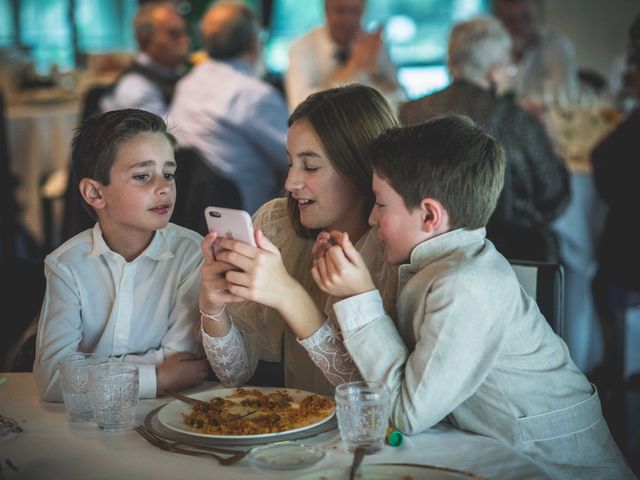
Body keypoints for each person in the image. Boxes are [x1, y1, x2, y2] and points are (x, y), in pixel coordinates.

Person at [311, 115, 634, 479]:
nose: (370, 218)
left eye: (381, 204)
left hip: (557, 466)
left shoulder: (465, 285)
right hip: (484, 451)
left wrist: (358, 297)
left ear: (430, 215)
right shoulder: (439, 262)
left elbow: (405, 413)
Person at [199, 84, 399, 396]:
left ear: (359, 167)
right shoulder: (276, 225)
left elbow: (377, 396)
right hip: (300, 430)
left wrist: (288, 294)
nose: (291, 182)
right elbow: (234, 374)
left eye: (311, 166)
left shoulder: (396, 251)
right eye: (291, 162)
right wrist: (212, 306)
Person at [33, 109, 209, 402]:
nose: (164, 187)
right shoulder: (66, 265)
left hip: (168, 411)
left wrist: (87, 370)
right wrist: (157, 376)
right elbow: (53, 378)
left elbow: (185, 366)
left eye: (169, 174)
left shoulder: (191, 254)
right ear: (95, 194)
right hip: (85, 425)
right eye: (142, 176)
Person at [399, 16, 569, 262]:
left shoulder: (410, 112)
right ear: (494, 71)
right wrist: (554, 144)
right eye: (508, 67)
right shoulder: (515, 119)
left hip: (424, 249)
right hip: (511, 256)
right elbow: (553, 196)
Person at [169, 1, 289, 215]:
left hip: (190, 213)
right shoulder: (254, 95)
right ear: (254, 43)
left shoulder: (187, 84)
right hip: (249, 217)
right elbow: (293, 157)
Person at [285, 0, 405, 111]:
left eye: (355, 12)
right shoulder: (302, 48)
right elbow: (299, 106)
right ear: (326, 10)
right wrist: (352, 67)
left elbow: (400, 96)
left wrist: (376, 74)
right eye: (340, 11)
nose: (348, 20)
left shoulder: (374, 46)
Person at [100, 2, 190, 118]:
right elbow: (168, 133)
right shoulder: (135, 88)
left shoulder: (173, 73)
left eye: (184, 32)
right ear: (145, 38)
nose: (184, 40)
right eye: (174, 34)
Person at [493, 0, 578, 113]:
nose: (518, 26)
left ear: (538, 17)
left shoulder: (557, 46)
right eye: (510, 20)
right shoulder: (495, 47)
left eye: (526, 18)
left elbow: (565, 98)